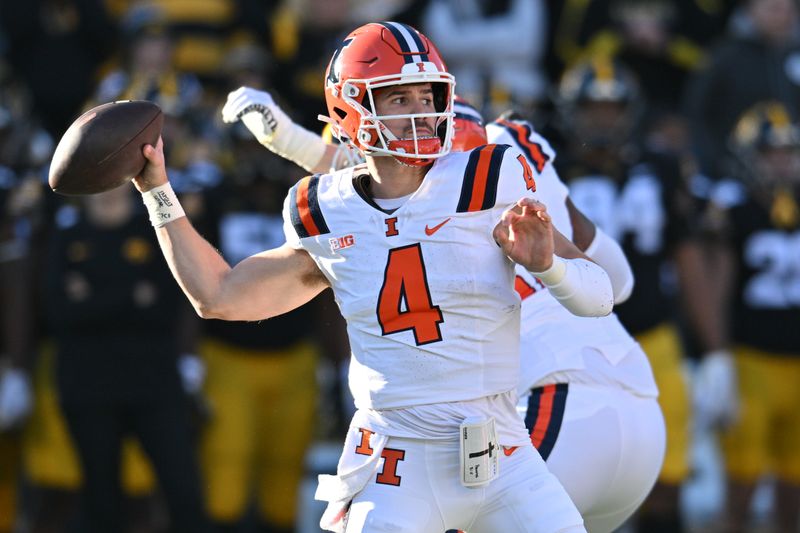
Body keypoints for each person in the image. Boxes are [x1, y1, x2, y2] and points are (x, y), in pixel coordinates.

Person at [134, 21, 617, 533]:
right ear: (351, 109)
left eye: (427, 94)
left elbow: (599, 297)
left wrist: (549, 265)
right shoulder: (326, 208)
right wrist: (156, 192)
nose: (421, 111)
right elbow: (220, 297)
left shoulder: (487, 180)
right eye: (398, 98)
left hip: (502, 454)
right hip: (392, 465)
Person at [227, 83, 667, 532]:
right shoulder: (508, 153)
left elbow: (377, 186)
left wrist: (289, 140)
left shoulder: (437, 192)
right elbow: (619, 281)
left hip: (553, 401)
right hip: (640, 412)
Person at [554, 56, 729, 533]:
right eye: (592, 107)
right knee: (572, 486)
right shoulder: (550, 173)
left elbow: (688, 258)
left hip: (652, 339)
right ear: (571, 111)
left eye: (612, 108)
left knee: (666, 483)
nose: (602, 119)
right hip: (574, 347)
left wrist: (714, 350)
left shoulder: (662, 167)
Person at [42, 186, 211, 533]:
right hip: (88, 386)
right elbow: (57, 313)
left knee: (183, 489)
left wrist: (92, 298)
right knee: (101, 497)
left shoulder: (152, 233)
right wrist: (132, 296)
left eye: (115, 180)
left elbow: (169, 303)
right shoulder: (67, 235)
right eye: (98, 181)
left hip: (155, 381)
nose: (107, 191)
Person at [702, 101, 800, 533]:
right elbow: (717, 285)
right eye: (768, 153)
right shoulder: (732, 208)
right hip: (751, 361)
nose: (780, 163)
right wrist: (717, 354)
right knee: (741, 491)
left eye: (787, 152)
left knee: (794, 500)